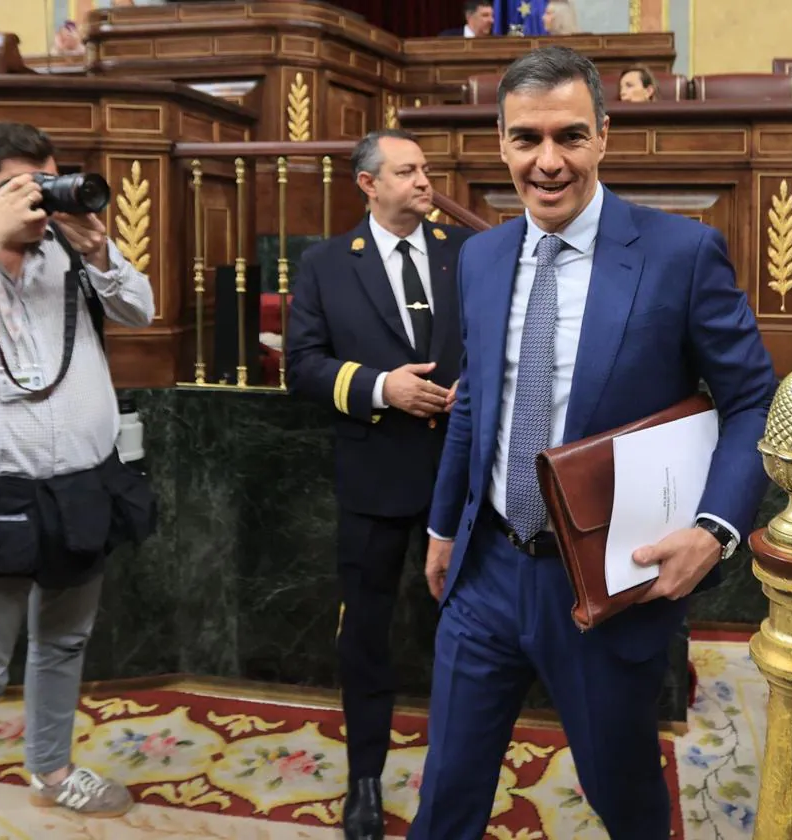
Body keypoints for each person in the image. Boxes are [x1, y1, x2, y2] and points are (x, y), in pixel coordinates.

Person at [409, 46, 775, 839]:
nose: (548, 162)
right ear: (500, 142)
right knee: (446, 799)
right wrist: (445, 528)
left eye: (570, 136)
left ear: (605, 136)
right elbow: (476, 405)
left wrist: (714, 533)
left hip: (610, 589)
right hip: (487, 573)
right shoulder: (481, 256)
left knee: (628, 802)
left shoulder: (680, 255)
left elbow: (752, 400)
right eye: (526, 139)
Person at [0, 121, 156, 839]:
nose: (40, 202)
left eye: (47, 182)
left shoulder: (65, 249)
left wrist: (101, 251)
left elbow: (142, 309)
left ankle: (52, 771)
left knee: (65, 645)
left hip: (80, 491)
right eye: (21, 188)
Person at [286, 128, 474, 840]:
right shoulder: (327, 264)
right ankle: (365, 777)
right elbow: (301, 367)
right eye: (407, 172)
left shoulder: (466, 255)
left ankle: (459, 769)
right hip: (373, 478)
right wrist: (380, 387)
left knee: (462, 635)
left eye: (425, 170)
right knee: (366, 635)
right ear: (367, 184)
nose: (425, 183)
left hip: (458, 479)